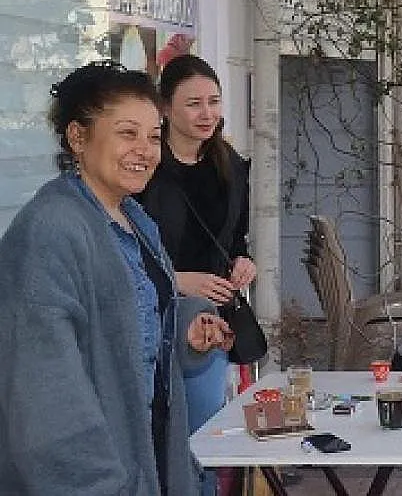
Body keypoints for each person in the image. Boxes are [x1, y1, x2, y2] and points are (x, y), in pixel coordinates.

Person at [0, 61, 233, 495]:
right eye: (128, 133)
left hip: (150, 457)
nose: (145, 151)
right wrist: (98, 484)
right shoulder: (50, 230)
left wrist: (185, 328)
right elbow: (43, 390)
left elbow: (131, 329)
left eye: (154, 137)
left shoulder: (134, 220)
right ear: (78, 137)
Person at [136, 54, 255, 496]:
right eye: (193, 103)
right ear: (165, 108)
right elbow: (124, 248)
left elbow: (236, 238)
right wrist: (177, 279)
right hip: (148, 318)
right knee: (154, 438)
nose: (207, 114)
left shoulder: (231, 165)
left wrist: (242, 262)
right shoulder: (144, 169)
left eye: (214, 102)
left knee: (204, 438)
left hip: (208, 322)